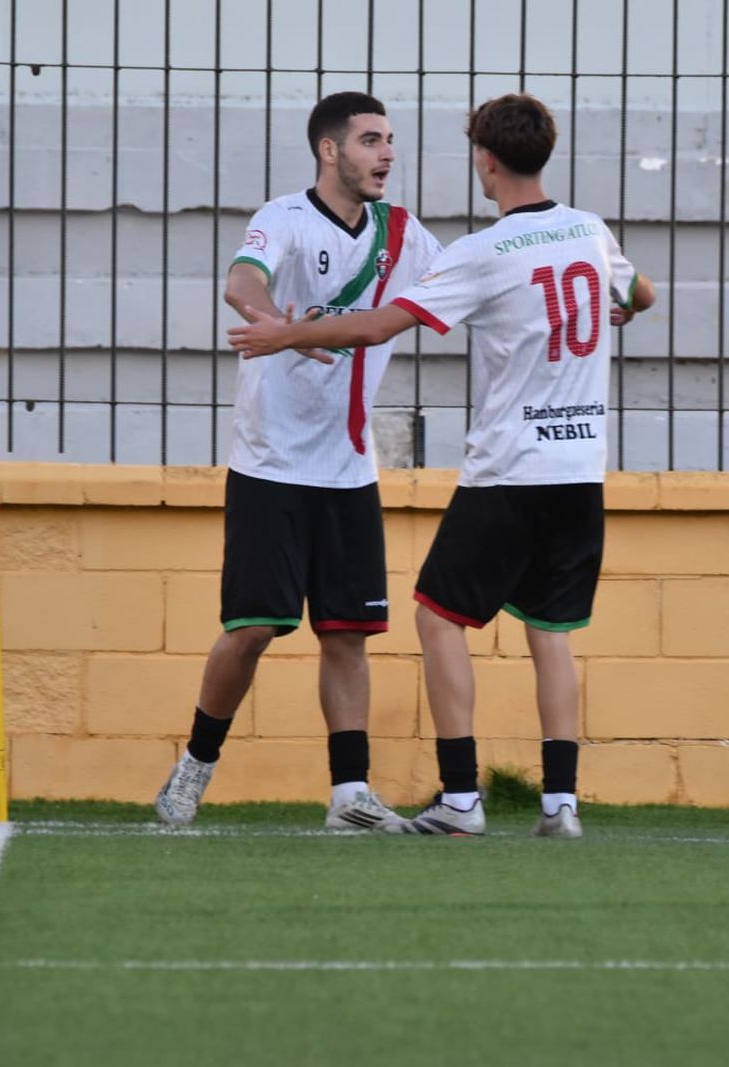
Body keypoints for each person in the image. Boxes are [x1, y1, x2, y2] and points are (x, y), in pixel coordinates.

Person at [229, 93, 656, 839]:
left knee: (437, 617)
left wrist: (286, 334)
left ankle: (461, 794)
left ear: (486, 160)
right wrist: (616, 312)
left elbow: (379, 323)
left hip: (511, 471)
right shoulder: (588, 231)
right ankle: (562, 802)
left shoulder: (485, 253)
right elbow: (641, 294)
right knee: (551, 631)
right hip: (583, 469)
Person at [154, 91, 442, 831]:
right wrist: (277, 324)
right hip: (270, 461)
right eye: (371, 140)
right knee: (251, 628)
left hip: (348, 469)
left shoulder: (405, 236)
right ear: (329, 150)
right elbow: (240, 281)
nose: (387, 153)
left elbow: (467, 285)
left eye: (390, 139)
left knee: (346, 633)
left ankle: (350, 793)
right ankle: (194, 764)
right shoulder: (280, 217)